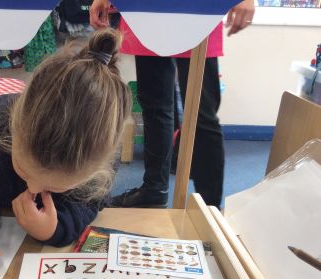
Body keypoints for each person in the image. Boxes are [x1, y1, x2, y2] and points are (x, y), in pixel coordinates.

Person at [0, 28, 132, 270]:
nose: (33, 188)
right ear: (13, 127)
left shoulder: (97, 160)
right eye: (23, 170)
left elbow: (89, 204)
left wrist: (55, 228)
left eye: (54, 188)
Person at [90, 0, 255, 208]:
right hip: (148, 12)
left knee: (201, 114)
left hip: (198, 11)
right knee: (154, 106)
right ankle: (154, 189)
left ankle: (210, 206)